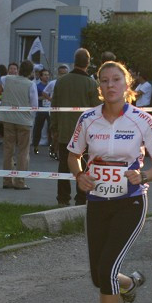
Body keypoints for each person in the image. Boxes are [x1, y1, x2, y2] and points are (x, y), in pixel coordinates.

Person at [68, 61, 152, 303]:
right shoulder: (88, 120)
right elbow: (73, 155)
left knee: (108, 268)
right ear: (99, 86)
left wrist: (144, 175)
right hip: (98, 202)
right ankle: (129, 283)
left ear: (127, 86)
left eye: (116, 80)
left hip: (131, 202)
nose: (110, 85)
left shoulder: (143, 120)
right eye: (104, 81)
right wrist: (79, 175)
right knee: (100, 277)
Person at [52, 49, 100, 206]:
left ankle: (62, 199)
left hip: (65, 131)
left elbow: (54, 107)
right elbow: (97, 110)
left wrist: (54, 129)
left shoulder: (61, 81)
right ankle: (81, 198)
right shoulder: (92, 84)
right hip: (85, 135)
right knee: (84, 167)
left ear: (74, 61)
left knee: (64, 166)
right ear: (88, 63)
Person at [0, 60, 37, 190]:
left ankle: (7, 180)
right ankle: (20, 181)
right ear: (31, 72)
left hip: (8, 118)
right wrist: (32, 119)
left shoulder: (6, 79)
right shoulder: (31, 84)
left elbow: (0, 84)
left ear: (19, 69)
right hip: (24, 121)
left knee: (8, 150)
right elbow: (34, 105)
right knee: (23, 152)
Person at [32, 67, 51, 154]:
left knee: (51, 128)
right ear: (41, 77)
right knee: (38, 128)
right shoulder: (37, 86)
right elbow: (35, 98)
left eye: (48, 75)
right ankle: (35, 146)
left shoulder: (51, 85)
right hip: (41, 109)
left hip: (50, 109)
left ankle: (51, 147)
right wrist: (44, 97)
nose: (47, 77)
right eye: (45, 75)